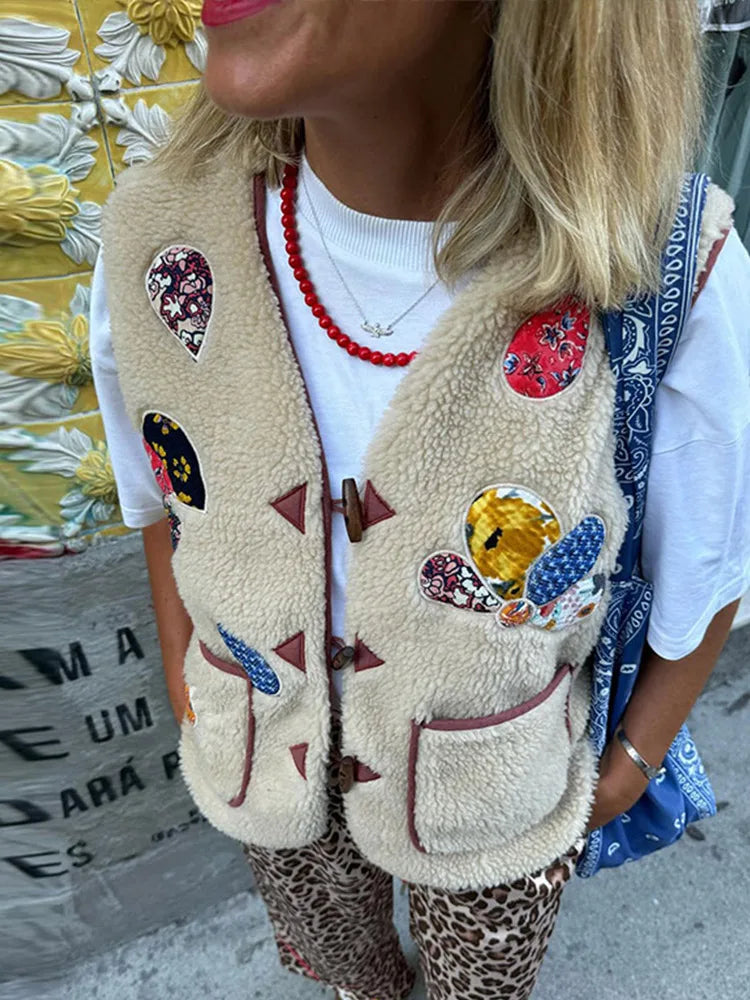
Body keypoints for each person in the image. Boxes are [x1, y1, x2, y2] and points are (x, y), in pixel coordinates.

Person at [90, 2, 750, 998]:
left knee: (479, 983)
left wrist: (629, 764)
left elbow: (712, 559)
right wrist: (191, 681)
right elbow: (163, 494)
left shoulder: (659, 269)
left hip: (494, 792)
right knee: (342, 964)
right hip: (262, 751)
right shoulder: (159, 239)